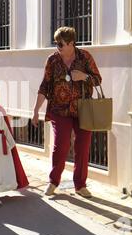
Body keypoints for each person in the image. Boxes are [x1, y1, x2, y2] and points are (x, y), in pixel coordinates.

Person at [32, 26, 102, 198]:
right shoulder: (52, 60)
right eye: (56, 43)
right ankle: (54, 181)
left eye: (61, 43)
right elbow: (44, 86)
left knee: (83, 147)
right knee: (61, 145)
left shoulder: (85, 57)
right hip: (59, 110)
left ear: (71, 43)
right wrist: (35, 111)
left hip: (83, 109)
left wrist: (84, 77)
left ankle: (80, 185)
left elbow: (98, 79)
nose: (58, 46)